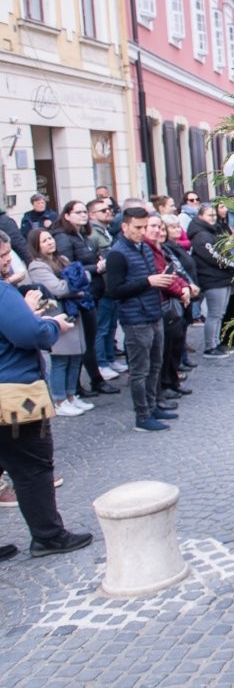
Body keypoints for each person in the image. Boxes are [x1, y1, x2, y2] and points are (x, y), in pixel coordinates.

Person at [0, 261, 93, 559]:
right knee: (32, 467)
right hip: (13, 396)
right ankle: (48, 536)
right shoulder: (2, 292)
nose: (8, 261)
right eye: (2, 255)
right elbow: (30, 334)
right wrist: (53, 325)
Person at [105, 206, 179, 432]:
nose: (142, 231)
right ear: (125, 227)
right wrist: (149, 282)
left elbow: (149, 278)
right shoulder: (117, 253)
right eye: (138, 227)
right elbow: (114, 290)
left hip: (153, 312)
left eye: (145, 227)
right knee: (140, 370)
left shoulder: (144, 248)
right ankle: (142, 415)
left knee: (155, 364)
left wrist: (162, 280)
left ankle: (153, 404)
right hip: (135, 319)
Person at [52, 201, 117, 397]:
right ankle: (85, 384)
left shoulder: (79, 235)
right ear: (67, 215)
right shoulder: (64, 238)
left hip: (91, 291)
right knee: (85, 341)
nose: (83, 215)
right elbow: (68, 268)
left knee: (89, 338)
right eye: (78, 212)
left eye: (83, 212)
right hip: (80, 295)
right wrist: (95, 268)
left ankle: (86, 383)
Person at [25, 229, 91, 417]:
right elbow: (57, 288)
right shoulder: (37, 266)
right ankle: (59, 399)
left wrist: (77, 282)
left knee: (76, 356)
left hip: (72, 312)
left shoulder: (61, 259)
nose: (49, 242)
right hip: (57, 314)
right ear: (36, 245)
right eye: (44, 240)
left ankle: (71, 395)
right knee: (61, 359)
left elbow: (81, 277)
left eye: (50, 238)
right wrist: (77, 286)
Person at [145, 215, 194, 401]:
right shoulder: (149, 250)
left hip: (172, 300)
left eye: (161, 227)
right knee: (164, 351)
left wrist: (185, 286)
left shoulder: (160, 248)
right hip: (163, 303)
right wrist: (181, 290)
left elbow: (172, 272)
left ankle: (172, 381)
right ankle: (164, 386)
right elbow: (162, 277)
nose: (158, 231)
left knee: (174, 344)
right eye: (154, 227)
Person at [188, 204, 234, 358]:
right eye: (209, 215)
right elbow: (214, 256)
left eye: (214, 215)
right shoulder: (202, 235)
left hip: (220, 277)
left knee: (219, 314)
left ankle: (216, 342)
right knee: (214, 314)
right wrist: (233, 265)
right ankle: (210, 346)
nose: (213, 218)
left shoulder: (210, 231)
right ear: (201, 216)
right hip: (213, 279)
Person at [88, 199, 125, 375]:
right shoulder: (93, 235)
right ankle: (101, 364)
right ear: (92, 215)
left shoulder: (105, 232)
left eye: (109, 209)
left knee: (111, 327)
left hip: (111, 287)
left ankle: (110, 359)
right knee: (102, 328)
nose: (108, 212)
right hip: (103, 288)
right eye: (103, 210)